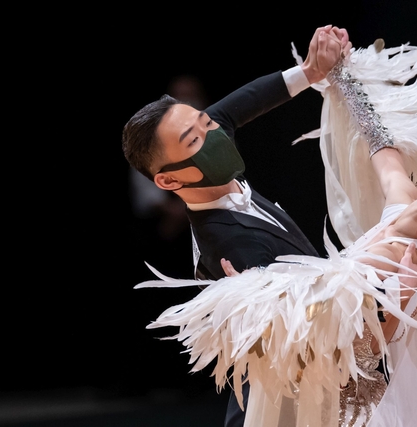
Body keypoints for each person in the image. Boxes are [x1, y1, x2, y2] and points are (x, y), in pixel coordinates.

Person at [134, 35, 417, 426]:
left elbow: (358, 361)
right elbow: (377, 135)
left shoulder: (414, 265)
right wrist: (335, 70)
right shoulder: (402, 197)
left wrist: (258, 301)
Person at [122, 25, 351, 427]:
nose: (214, 134)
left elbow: (238, 105)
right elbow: (311, 327)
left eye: (206, 123)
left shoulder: (208, 155)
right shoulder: (231, 249)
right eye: (194, 140)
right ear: (169, 180)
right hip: (290, 407)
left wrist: (310, 71)